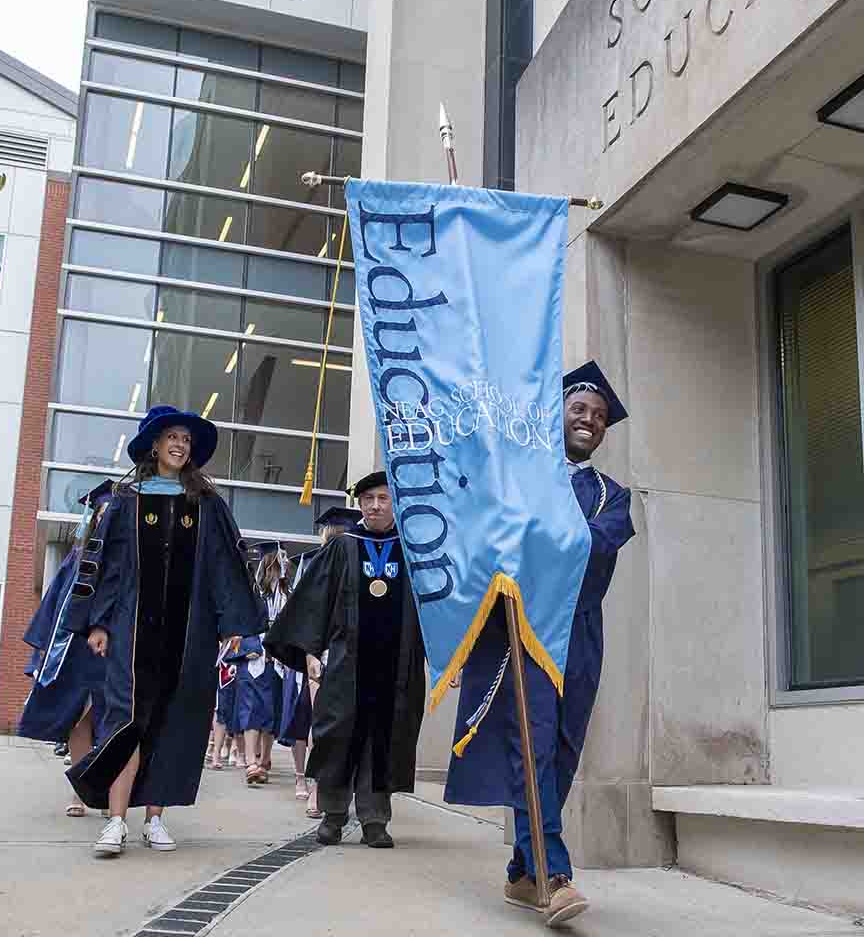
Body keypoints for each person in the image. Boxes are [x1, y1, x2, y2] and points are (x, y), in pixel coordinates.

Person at [444, 361, 636, 928]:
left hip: (578, 629)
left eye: (599, 417)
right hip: (523, 629)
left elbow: (596, 551)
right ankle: (553, 874)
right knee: (535, 744)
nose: (590, 420)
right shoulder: (518, 481)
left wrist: (535, 543)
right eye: (580, 409)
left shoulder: (612, 496)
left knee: (566, 749)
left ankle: (521, 873)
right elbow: (485, 546)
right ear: (557, 415)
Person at [64, 405, 266, 858]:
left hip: (189, 634)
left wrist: (232, 625)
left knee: (173, 724)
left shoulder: (207, 504)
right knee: (125, 721)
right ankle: (116, 821)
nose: (179, 444)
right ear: (153, 445)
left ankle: (155, 819)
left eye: (186, 440)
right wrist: (98, 622)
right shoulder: (126, 499)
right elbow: (109, 567)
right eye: (171, 437)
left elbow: (223, 569)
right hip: (131, 630)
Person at [266, 473, 425, 849]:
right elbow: (314, 601)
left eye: (382, 498)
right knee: (338, 736)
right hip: (347, 662)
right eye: (368, 498)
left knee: (382, 739)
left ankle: (374, 819)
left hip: (396, 665)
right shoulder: (343, 547)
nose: (374, 506)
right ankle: (334, 815)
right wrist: (308, 652)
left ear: (394, 502)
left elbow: (434, 607)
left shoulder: (413, 551)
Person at [18, 482, 111, 817]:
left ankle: (103, 790)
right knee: (78, 721)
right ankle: (81, 791)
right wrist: (43, 651)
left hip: (109, 653)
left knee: (109, 723)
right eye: (102, 514)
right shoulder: (76, 559)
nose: (106, 520)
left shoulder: (124, 561)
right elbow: (54, 604)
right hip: (74, 651)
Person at [278, 507, 362, 810]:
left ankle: (326, 787)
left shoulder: (362, 563)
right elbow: (309, 613)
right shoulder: (315, 565)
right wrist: (310, 654)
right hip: (322, 654)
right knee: (316, 723)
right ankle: (311, 785)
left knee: (332, 726)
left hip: (351, 655)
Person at [231, 542, 288, 786]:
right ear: (270, 565)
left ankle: (265, 759)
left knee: (271, 711)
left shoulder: (288, 595)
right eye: (281, 562)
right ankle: (252, 761)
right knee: (251, 709)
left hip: (277, 662)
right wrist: (251, 648)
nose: (285, 566)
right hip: (254, 660)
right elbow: (238, 624)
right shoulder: (252, 594)